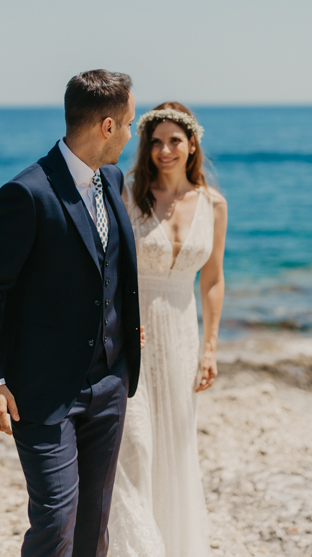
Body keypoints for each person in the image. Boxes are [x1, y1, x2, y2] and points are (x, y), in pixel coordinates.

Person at [0, 70, 142, 557]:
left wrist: (127, 332)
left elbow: (110, 267)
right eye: (128, 123)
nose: (131, 133)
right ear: (106, 126)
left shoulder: (112, 177)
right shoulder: (26, 194)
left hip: (109, 386)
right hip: (41, 391)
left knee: (93, 527)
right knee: (55, 523)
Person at [108, 102, 227, 557]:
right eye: (155, 141)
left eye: (174, 140)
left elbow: (213, 280)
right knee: (135, 445)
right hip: (133, 336)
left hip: (181, 338)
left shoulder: (214, 205)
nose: (164, 150)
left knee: (175, 448)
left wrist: (211, 348)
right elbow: (109, 269)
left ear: (192, 144)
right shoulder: (128, 194)